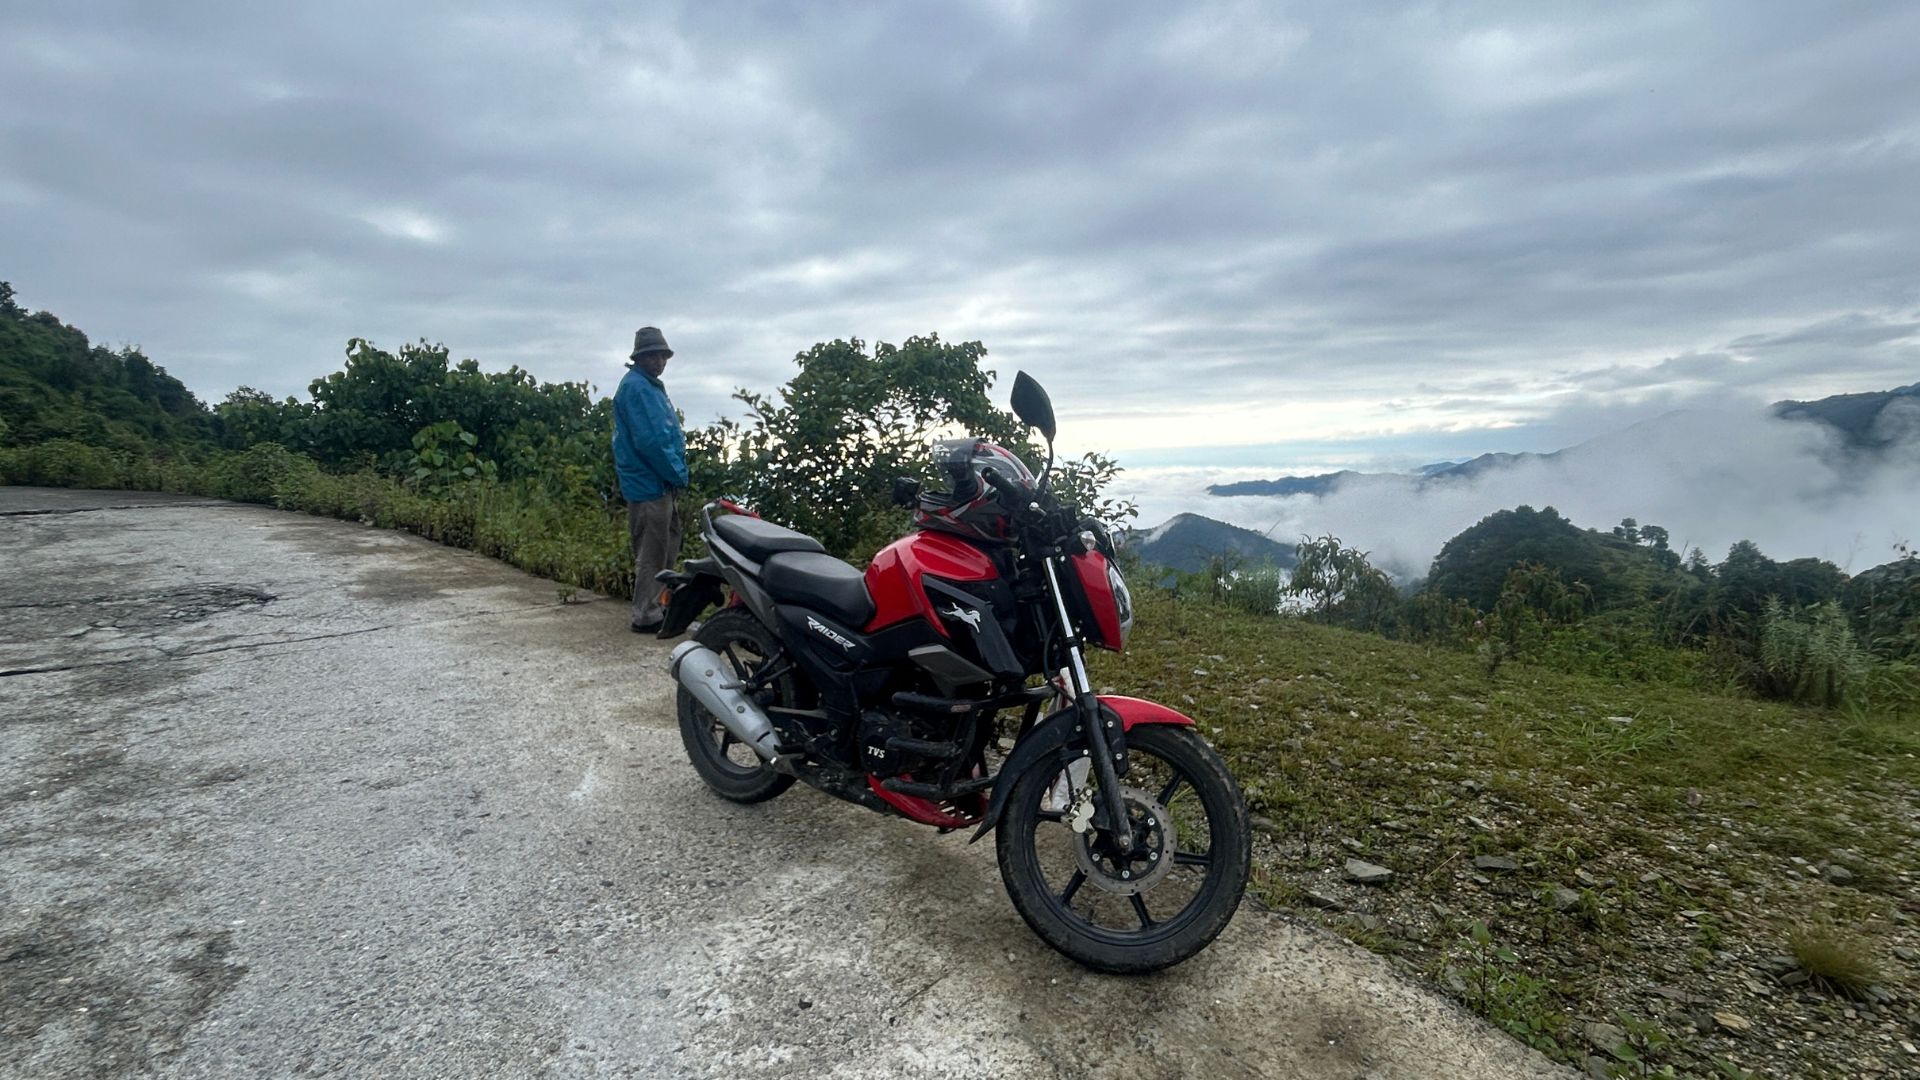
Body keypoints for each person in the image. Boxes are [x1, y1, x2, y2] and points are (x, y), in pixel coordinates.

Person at [613, 326, 687, 634]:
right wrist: (677, 473)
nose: (659, 361)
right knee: (651, 550)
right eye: (652, 356)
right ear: (640, 358)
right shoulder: (638, 389)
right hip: (650, 484)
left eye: (662, 355)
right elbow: (652, 441)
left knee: (667, 543)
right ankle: (646, 613)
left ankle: (659, 605)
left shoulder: (648, 386)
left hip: (657, 483)